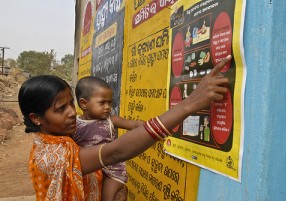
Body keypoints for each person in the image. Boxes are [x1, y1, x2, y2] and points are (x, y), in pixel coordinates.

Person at [18, 55, 231, 200]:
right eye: (60, 108)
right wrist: (189, 104)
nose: (72, 112)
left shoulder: (66, 135)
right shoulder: (50, 155)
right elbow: (115, 152)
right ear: (36, 118)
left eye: (71, 103)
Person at [72, 76, 144, 201]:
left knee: (107, 198)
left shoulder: (112, 120)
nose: (107, 107)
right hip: (90, 170)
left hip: (112, 171)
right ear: (84, 103)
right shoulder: (75, 124)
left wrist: (158, 125)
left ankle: (119, 189)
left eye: (109, 102)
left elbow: (135, 125)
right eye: (102, 102)